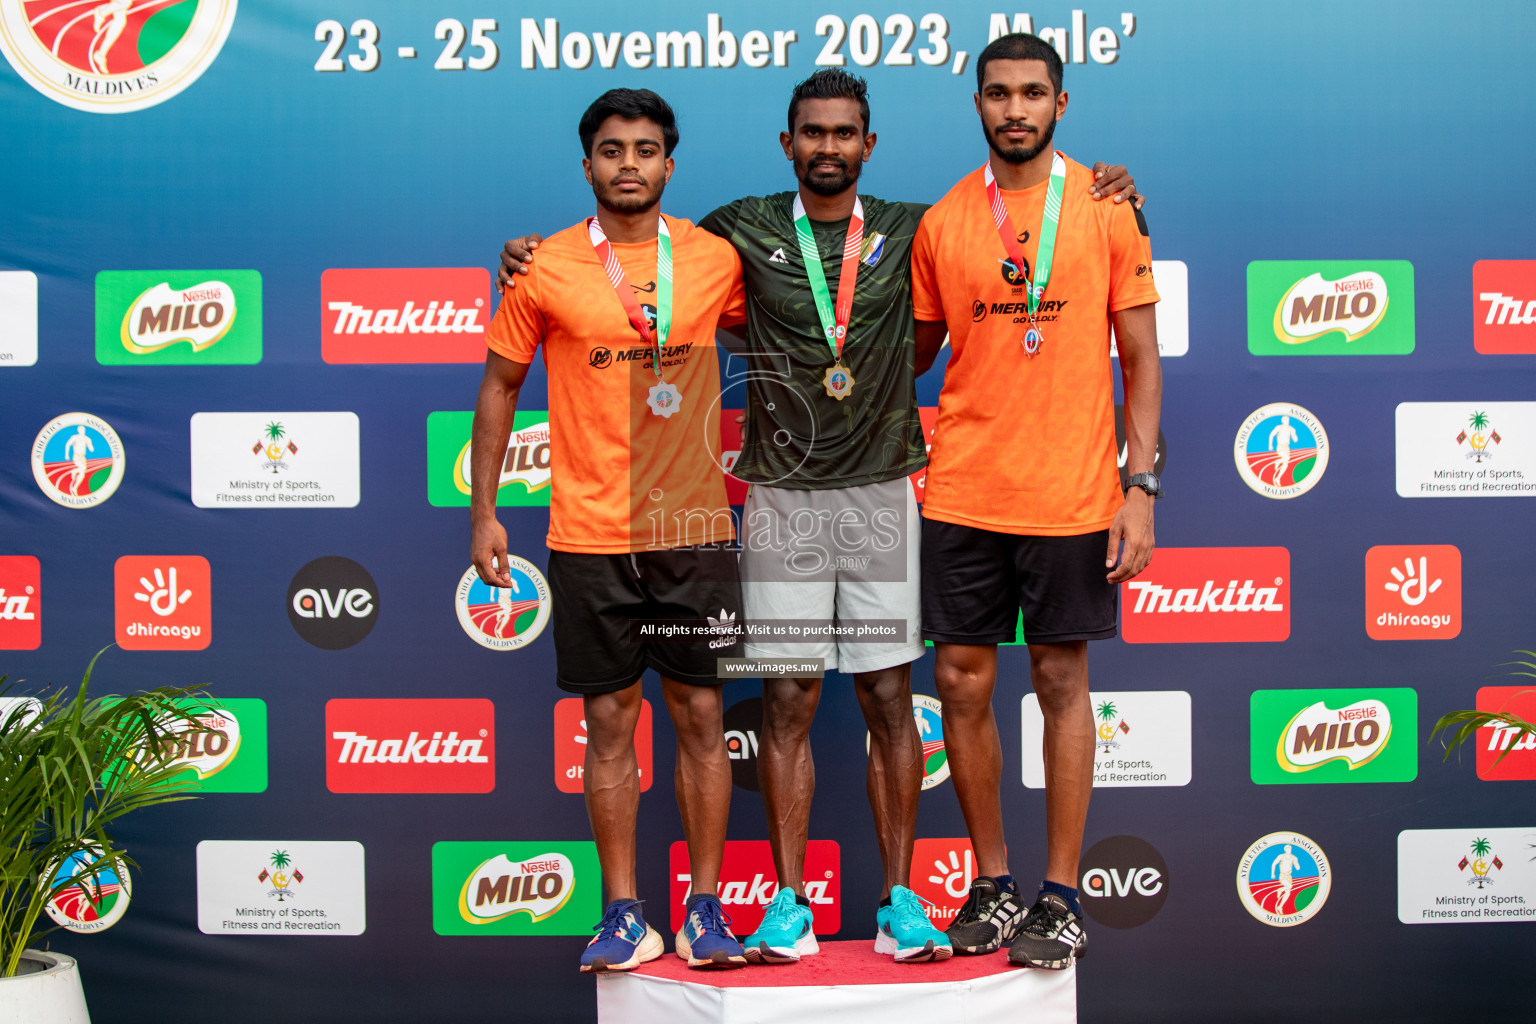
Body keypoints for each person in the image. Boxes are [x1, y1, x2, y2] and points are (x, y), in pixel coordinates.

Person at [499, 69, 1143, 968]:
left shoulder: (926, 227)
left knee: (889, 697)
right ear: (787, 143)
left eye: (845, 133)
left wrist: (1111, 182)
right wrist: (529, 254)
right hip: (784, 503)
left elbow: (1020, 206)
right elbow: (634, 256)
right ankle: (792, 905)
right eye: (812, 132)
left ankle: (902, 903)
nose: (828, 147)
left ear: (868, 146)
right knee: (791, 699)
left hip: (882, 494)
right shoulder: (735, 233)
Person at [470, 88, 751, 974]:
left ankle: (705, 910)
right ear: (586, 163)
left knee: (701, 715)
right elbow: (499, 389)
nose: (628, 164)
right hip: (589, 532)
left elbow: (806, 316)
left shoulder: (713, 260)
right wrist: (484, 511)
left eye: (645, 150)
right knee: (608, 721)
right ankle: (625, 912)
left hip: (694, 528)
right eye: (610, 149)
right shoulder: (542, 267)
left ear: (670, 164)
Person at [910, 32, 1163, 969]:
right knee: (963, 687)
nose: (1014, 109)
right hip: (966, 489)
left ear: (1063, 101)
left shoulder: (1108, 207)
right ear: (975, 104)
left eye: (1032, 93)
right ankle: (990, 881)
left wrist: (1138, 489)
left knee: (1062, 686)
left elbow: (1140, 359)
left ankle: (1060, 895)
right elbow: (918, 353)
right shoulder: (943, 222)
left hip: (1071, 493)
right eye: (997, 94)